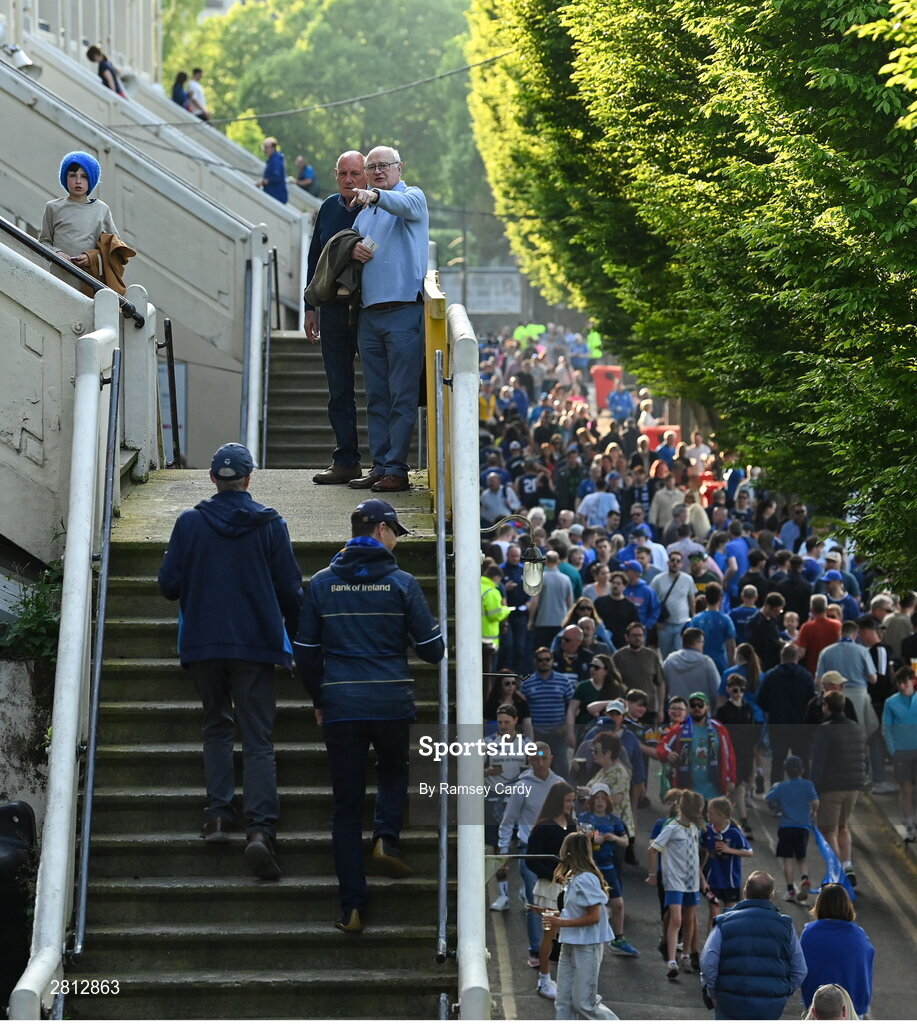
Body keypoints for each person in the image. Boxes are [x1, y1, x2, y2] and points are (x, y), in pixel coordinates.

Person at [293, 498, 444, 931]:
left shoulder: (321, 583)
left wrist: (319, 697)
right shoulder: (402, 584)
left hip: (341, 703)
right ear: (380, 530)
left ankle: (352, 908)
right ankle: (386, 839)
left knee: (345, 807)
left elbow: (304, 654)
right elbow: (433, 652)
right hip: (392, 700)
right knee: (396, 768)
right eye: (395, 531)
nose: (396, 541)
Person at [157, 443, 302, 879]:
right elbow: (291, 591)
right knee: (258, 738)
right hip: (255, 645)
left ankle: (218, 815)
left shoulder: (189, 523)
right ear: (249, 479)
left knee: (217, 725)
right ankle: (259, 831)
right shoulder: (271, 525)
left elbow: (167, 585)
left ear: (213, 480)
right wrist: (297, 641)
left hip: (203, 644)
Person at [347, 146, 429, 493]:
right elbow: (348, 246)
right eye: (372, 167)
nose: (378, 171)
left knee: (402, 395)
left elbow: (403, 206)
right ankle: (380, 465)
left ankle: (397, 468)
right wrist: (352, 250)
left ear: (399, 168)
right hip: (370, 314)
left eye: (384, 166)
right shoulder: (363, 212)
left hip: (403, 311)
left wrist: (377, 195)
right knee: (376, 396)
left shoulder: (412, 197)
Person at [303, 151, 368, 483]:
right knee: (338, 389)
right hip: (332, 309)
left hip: (369, 308)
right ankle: (346, 460)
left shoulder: (377, 206)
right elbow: (315, 258)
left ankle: (386, 464)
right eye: (343, 173)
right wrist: (310, 307)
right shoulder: (329, 207)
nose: (349, 179)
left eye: (355, 173)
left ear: (366, 175)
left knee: (379, 388)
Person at [699, 870, 807, 1020]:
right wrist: (782, 992)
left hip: (729, 1004)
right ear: (771, 895)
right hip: (770, 1008)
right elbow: (800, 970)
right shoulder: (786, 927)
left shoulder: (724, 923)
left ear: (745, 892)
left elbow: (707, 962)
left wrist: (713, 992)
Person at [497, 744, 563, 968]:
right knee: (535, 900)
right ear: (529, 760)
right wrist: (503, 853)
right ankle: (536, 949)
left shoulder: (559, 785)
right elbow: (508, 822)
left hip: (556, 853)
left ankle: (553, 945)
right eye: (535, 759)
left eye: (544, 759)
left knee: (555, 900)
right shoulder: (522, 787)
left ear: (551, 759)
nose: (540, 764)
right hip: (530, 850)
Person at [541, 832, 619, 1019]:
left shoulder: (586, 879)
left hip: (587, 947)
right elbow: (578, 912)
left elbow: (594, 917)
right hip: (571, 944)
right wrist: (556, 915)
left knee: (584, 1004)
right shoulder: (574, 878)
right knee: (563, 1001)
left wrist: (559, 922)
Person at [526, 781, 578, 1000]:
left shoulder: (571, 824)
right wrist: (555, 874)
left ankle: (566, 981)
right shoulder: (544, 826)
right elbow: (532, 860)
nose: (570, 805)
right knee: (549, 934)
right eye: (567, 801)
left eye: (572, 800)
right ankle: (544, 980)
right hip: (549, 889)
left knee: (568, 935)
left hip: (569, 887)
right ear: (558, 801)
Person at [646, 789, 705, 980]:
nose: (700, 814)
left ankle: (686, 955)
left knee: (689, 919)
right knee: (676, 919)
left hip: (691, 881)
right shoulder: (671, 828)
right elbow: (653, 849)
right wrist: (653, 874)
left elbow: (695, 855)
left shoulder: (694, 829)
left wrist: (701, 879)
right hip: (674, 880)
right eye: (699, 810)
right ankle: (672, 960)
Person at [810, 691, 866, 888]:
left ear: (827, 706)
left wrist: (812, 790)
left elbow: (818, 762)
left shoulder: (825, 730)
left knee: (829, 830)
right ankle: (848, 865)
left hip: (831, 787)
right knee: (843, 826)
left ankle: (838, 873)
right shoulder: (855, 727)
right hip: (853, 786)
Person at [576, 783, 638, 957]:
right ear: (591, 801)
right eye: (596, 798)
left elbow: (626, 841)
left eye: (603, 798)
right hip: (588, 869)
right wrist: (592, 840)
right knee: (588, 906)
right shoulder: (583, 819)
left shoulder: (615, 820)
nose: (600, 802)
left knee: (617, 904)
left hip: (608, 867)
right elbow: (576, 839)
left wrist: (615, 838)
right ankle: (582, 940)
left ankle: (618, 939)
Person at [39, 152, 119, 282]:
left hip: (89, 280)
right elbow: (44, 242)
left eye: (84, 176)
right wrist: (57, 253)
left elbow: (113, 248)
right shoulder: (53, 207)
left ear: (92, 179)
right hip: (58, 278)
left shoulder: (101, 209)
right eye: (72, 175)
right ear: (65, 178)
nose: (78, 181)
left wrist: (92, 257)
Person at [799, 884, 875, 1018]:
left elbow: (800, 969)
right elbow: (865, 969)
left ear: (820, 905)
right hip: (851, 1008)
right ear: (847, 905)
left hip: (818, 1006)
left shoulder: (809, 934)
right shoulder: (859, 936)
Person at [657, 691, 736, 801]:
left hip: (714, 791)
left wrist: (730, 779)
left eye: (700, 705)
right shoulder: (680, 729)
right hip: (688, 792)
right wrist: (668, 754)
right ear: (689, 708)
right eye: (693, 705)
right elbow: (662, 746)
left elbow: (729, 755)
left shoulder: (718, 729)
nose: (697, 708)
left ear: (707, 707)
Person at [756, 643, 815, 784]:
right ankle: (805, 792)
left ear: (781, 656)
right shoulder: (805, 676)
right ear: (797, 657)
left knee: (777, 760)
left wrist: (773, 710)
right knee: (803, 760)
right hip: (800, 725)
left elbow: (761, 700)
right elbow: (812, 701)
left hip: (778, 724)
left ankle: (776, 796)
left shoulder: (771, 676)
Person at [765, 755, 819, 904]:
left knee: (788, 859)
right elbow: (815, 802)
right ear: (802, 770)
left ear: (786, 772)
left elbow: (767, 799)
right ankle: (805, 878)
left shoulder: (781, 787)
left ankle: (790, 890)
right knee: (801, 857)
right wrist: (813, 813)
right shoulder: (808, 785)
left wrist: (777, 807)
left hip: (786, 827)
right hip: (803, 827)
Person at [521, 648, 575, 776]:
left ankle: (564, 794)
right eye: (540, 660)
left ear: (552, 661)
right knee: (537, 766)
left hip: (558, 733)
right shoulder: (527, 683)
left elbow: (572, 707)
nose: (544, 662)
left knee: (561, 767)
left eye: (547, 659)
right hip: (536, 734)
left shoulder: (563, 681)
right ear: (535, 662)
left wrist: (567, 728)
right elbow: (523, 710)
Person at [700, 797, 752, 916]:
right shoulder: (707, 830)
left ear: (721, 815)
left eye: (711, 813)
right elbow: (702, 850)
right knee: (714, 914)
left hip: (731, 881)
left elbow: (749, 852)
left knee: (729, 915)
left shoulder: (734, 832)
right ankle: (712, 935)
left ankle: (726, 935)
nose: (708, 815)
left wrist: (729, 850)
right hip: (713, 879)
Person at [883, 664, 917, 841]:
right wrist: (893, 751)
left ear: (913, 681)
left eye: (905, 683)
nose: (903, 686)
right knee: (905, 790)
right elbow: (886, 728)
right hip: (902, 752)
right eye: (899, 684)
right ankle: (909, 824)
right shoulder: (891, 703)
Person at [650, 551, 696, 658]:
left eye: (678, 561)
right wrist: (655, 621)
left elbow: (691, 599)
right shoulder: (658, 580)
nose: (675, 563)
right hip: (664, 625)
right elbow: (652, 601)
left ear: (681, 564)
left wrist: (693, 617)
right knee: (666, 655)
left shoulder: (688, 579)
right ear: (668, 562)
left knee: (680, 654)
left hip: (682, 623)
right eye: (672, 560)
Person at [662, 628, 720, 706]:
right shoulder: (706, 662)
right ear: (697, 642)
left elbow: (663, 686)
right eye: (702, 642)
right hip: (700, 711)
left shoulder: (670, 660)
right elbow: (716, 690)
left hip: (676, 710)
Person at [257, 137, 288, 204]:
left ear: (273, 148)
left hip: (277, 197)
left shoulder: (276, 160)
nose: (265, 150)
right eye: (264, 147)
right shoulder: (274, 159)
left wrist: (263, 181)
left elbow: (276, 178)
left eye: (266, 147)